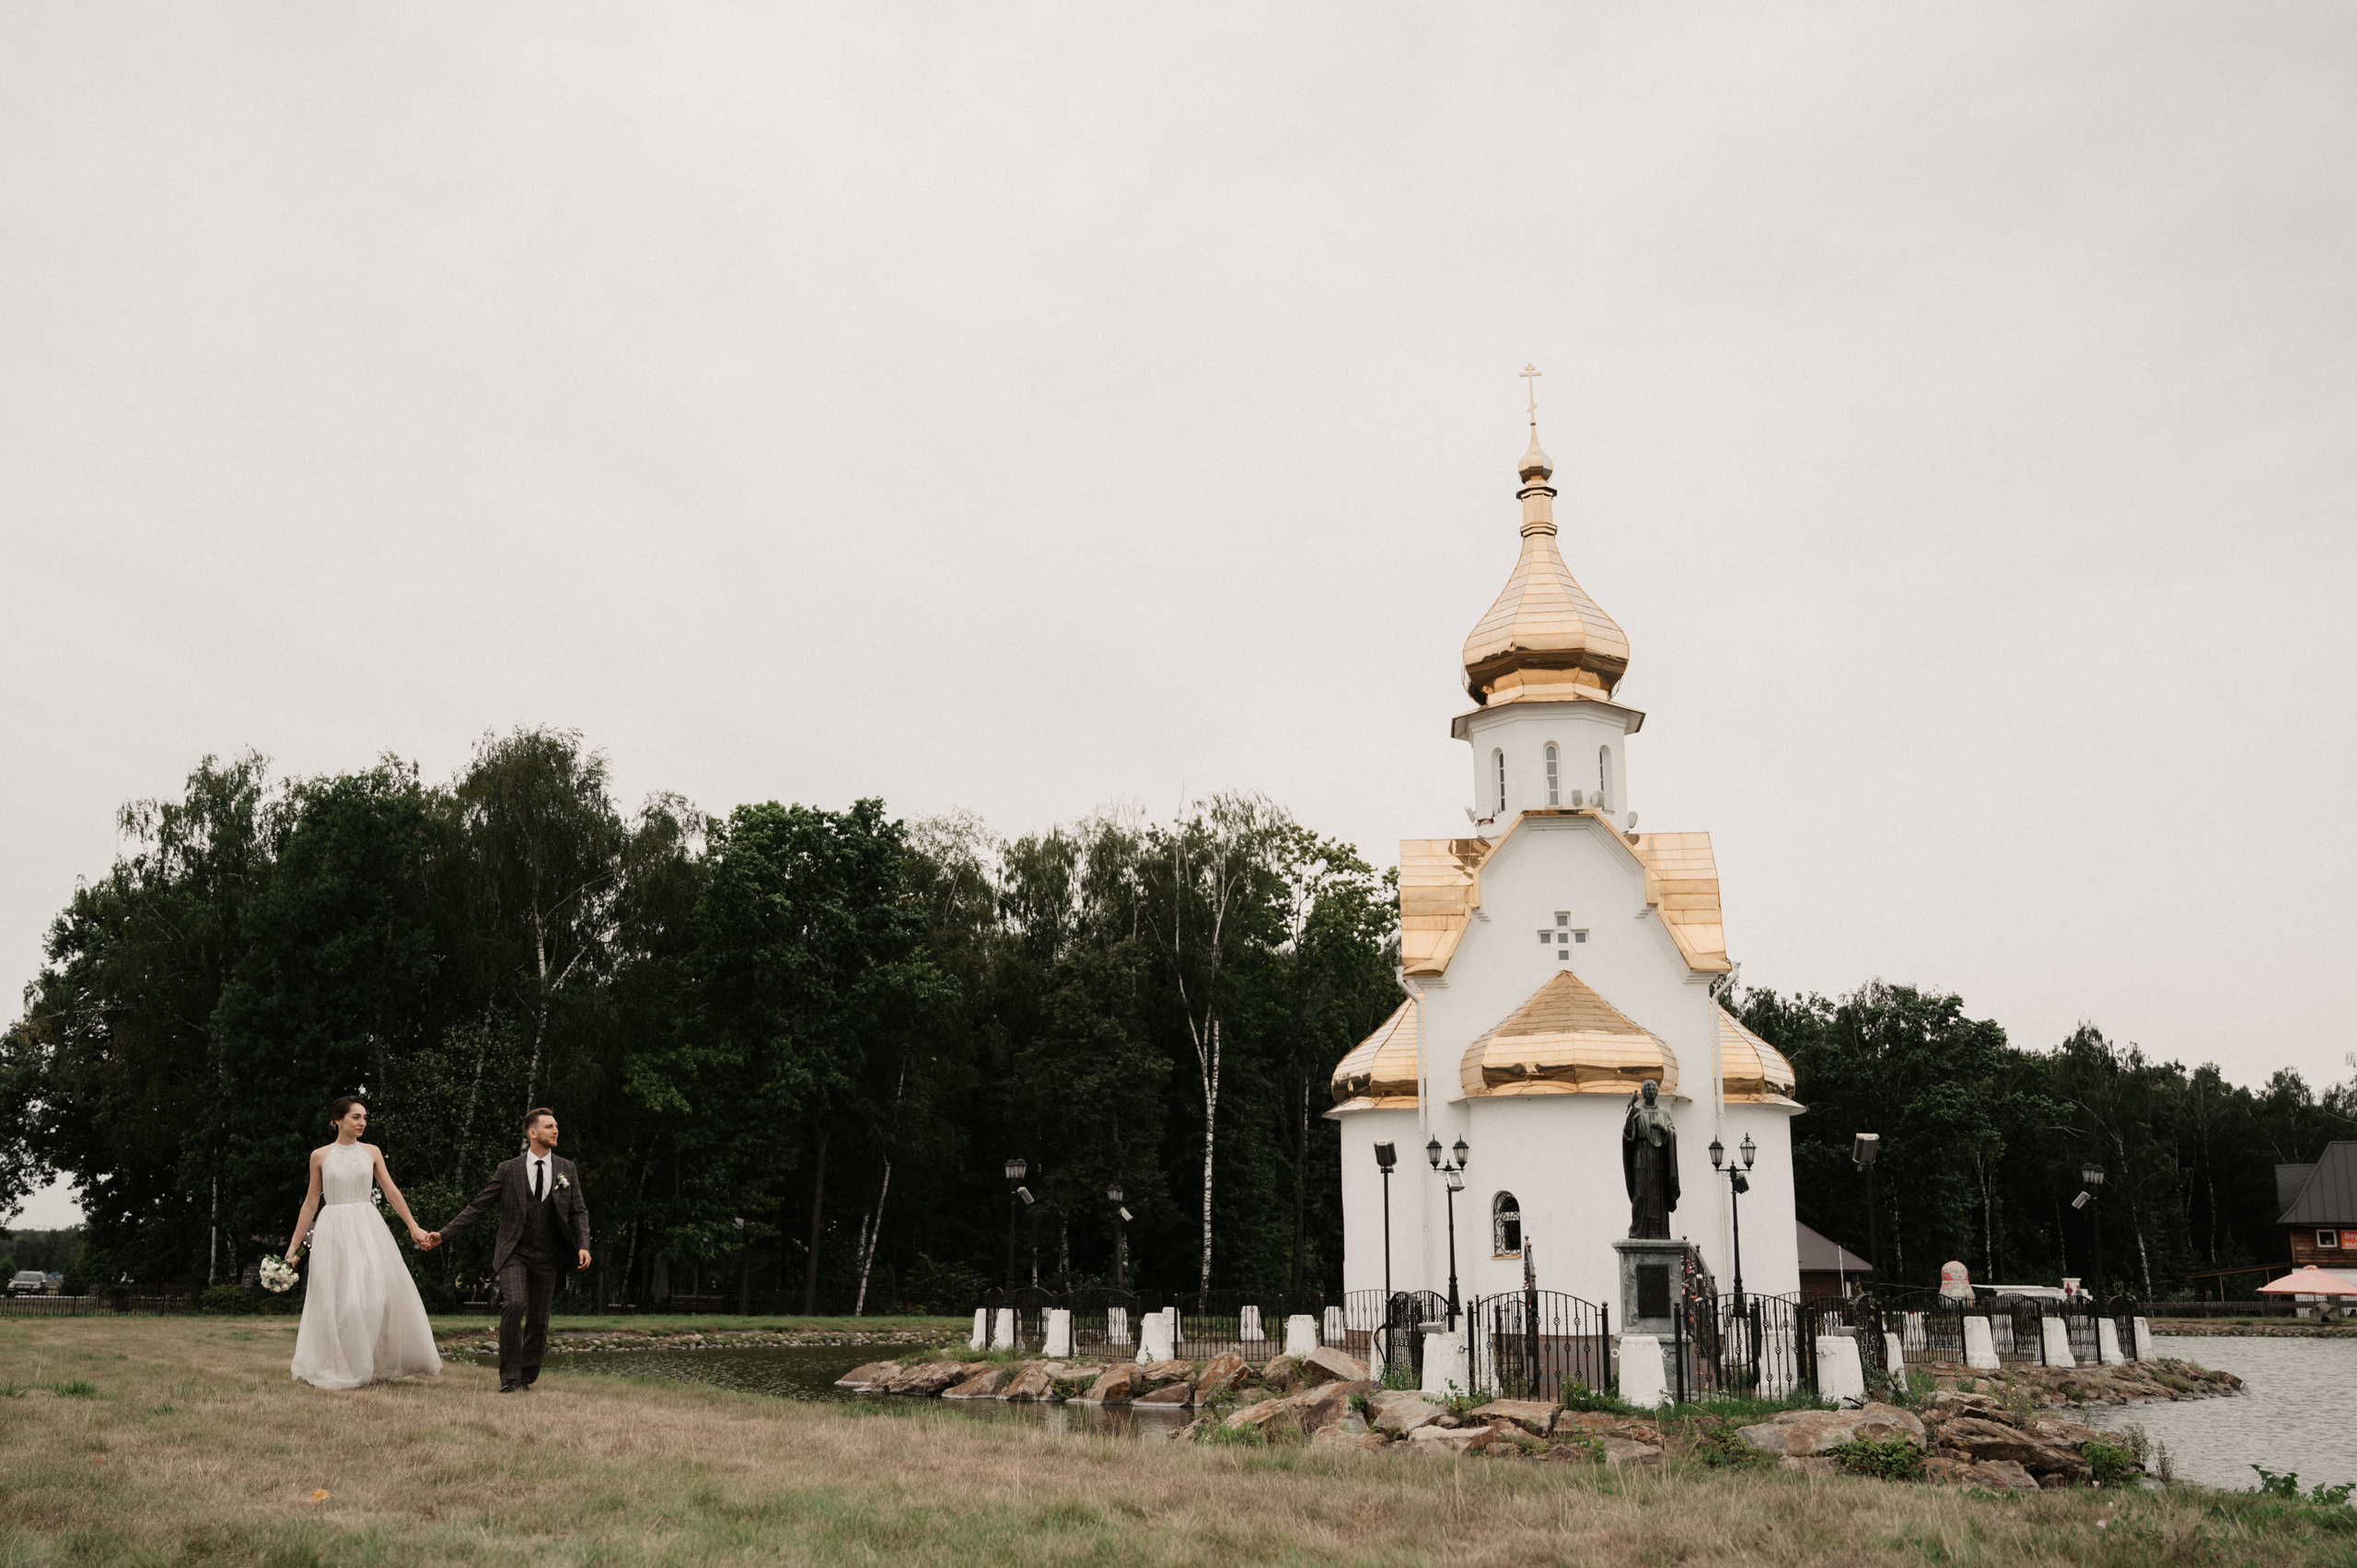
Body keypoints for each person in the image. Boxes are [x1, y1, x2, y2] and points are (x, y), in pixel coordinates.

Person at [425, 1108, 591, 1393]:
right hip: (514, 1252)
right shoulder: (508, 1169)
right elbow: (478, 1206)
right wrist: (444, 1234)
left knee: (539, 1320)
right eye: (549, 1126)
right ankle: (509, 1378)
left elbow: (578, 1212)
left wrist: (584, 1245)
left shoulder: (567, 1169)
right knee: (514, 1305)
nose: (556, 1131)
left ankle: (526, 1378)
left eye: (556, 1126)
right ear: (532, 1133)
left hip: (548, 1255)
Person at [285, 1096, 443, 1389]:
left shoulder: (372, 1152)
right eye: (356, 1117)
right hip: (333, 1229)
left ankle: (374, 1362)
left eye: (364, 1118)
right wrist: (293, 1246)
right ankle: (339, 1364)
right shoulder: (319, 1156)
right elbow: (310, 1203)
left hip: (367, 1228)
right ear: (338, 1120)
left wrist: (413, 1226)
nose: (362, 1123)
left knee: (370, 1296)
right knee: (339, 1300)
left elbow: (391, 1191)